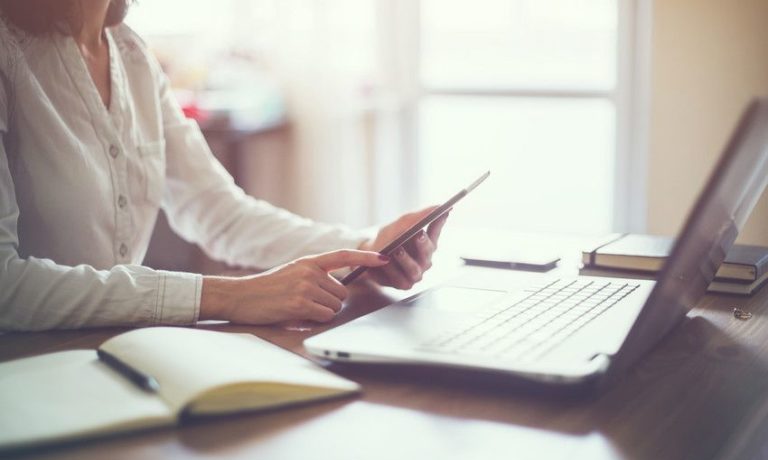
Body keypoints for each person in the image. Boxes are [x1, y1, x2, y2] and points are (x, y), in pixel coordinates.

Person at [0, 0, 447, 331]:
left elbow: (219, 212)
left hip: (116, 352)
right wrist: (230, 296)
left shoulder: (130, 54)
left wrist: (365, 251)